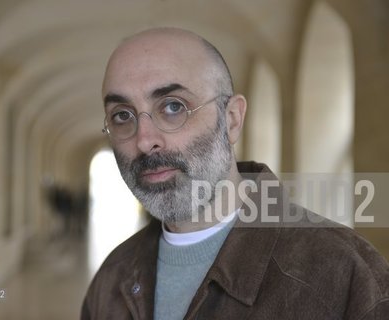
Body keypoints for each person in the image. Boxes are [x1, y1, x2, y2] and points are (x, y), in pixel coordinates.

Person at [81, 27, 389, 319]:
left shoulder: (348, 278)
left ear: (231, 120)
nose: (145, 140)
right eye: (122, 115)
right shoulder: (112, 279)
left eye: (173, 107)